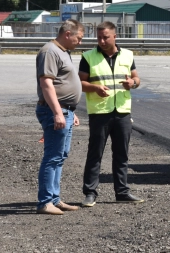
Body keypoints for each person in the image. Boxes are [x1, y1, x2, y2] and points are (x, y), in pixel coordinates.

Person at [79, 21, 143, 207]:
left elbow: (137, 78)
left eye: (105, 37)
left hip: (122, 112)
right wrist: (94, 88)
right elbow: (80, 83)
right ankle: (90, 193)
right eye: (99, 37)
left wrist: (133, 83)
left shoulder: (128, 55)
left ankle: (122, 192)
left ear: (115, 36)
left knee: (122, 154)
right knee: (95, 154)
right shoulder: (88, 56)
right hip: (100, 112)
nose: (101, 40)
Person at [35, 19, 84, 215]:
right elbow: (47, 84)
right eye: (78, 38)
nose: (80, 42)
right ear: (68, 34)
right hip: (56, 111)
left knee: (60, 156)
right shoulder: (50, 51)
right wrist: (57, 112)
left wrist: (71, 112)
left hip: (66, 111)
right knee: (52, 157)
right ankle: (45, 202)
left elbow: (62, 84)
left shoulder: (62, 51)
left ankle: (54, 199)